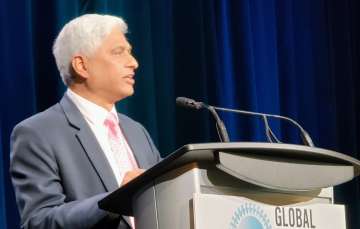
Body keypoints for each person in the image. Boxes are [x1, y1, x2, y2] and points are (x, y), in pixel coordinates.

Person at [10, 14, 161, 229]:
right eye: (119, 52)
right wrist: (115, 200)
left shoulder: (136, 131)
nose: (133, 62)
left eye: (130, 52)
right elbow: (39, 222)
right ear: (82, 66)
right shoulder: (36, 133)